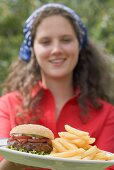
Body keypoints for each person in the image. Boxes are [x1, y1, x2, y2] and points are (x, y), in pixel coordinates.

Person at [0, 2, 114, 170]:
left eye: (66, 40)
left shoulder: (107, 114)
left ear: (79, 46)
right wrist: (16, 158)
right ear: (33, 50)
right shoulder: (7, 105)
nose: (56, 49)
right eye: (45, 42)